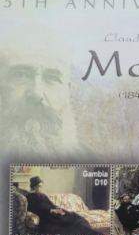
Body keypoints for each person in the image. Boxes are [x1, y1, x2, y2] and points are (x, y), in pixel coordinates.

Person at [0, 24, 88, 162]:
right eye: (21, 75)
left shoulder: (93, 162)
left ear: (68, 91)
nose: (37, 93)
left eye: (52, 78)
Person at [25, 176, 103, 235]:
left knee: (75, 216)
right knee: (72, 221)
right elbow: (36, 209)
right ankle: (91, 234)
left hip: (54, 213)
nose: (40, 188)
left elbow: (51, 204)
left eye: (41, 186)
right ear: (34, 187)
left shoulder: (42, 195)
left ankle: (91, 233)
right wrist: (50, 211)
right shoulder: (30, 197)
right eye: (39, 186)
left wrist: (57, 208)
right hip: (47, 217)